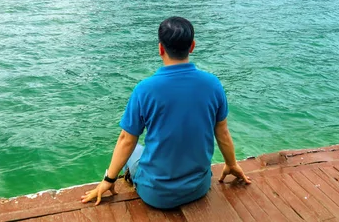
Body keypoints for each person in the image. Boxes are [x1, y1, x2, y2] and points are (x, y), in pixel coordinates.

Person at [80, 16, 251, 208]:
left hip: (155, 195)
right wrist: (231, 163)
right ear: (192, 46)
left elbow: (126, 140)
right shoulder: (213, 85)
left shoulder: (144, 89)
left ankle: (123, 179)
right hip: (199, 188)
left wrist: (108, 180)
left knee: (134, 148)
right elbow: (223, 133)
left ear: (160, 48)